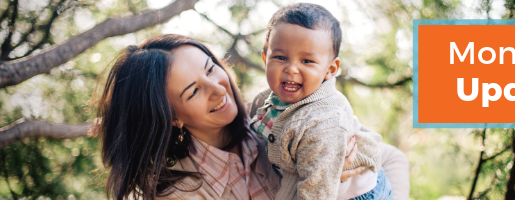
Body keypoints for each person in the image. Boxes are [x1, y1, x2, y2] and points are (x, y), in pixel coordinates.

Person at [95, 34, 408, 200]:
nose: (218, 89)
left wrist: (339, 176)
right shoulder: (179, 193)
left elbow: (393, 160)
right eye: (193, 92)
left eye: (210, 69)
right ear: (171, 117)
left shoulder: (273, 118)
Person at [248, 3, 390, 200]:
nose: (292, 69)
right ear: (265, 59)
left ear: (330, 69)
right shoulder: (264, 100)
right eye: (280, 57)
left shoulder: (324, 123)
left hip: (358, 194)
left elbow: (315, 194)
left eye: (306, 61)